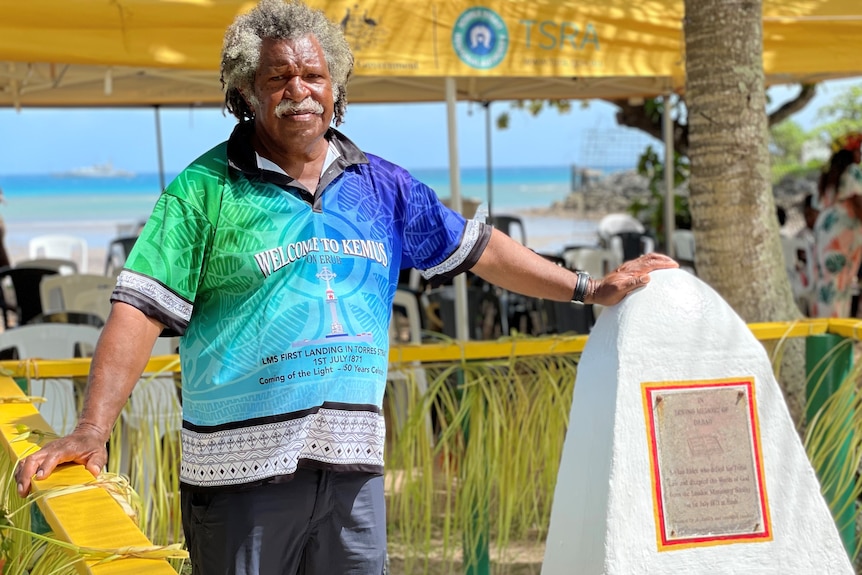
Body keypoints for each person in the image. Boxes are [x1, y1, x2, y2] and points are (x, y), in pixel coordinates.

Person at [14, 1, 678, 572]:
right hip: (242, 479)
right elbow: (139, 308)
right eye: (277, 77)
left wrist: (588, 287)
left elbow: (481, 248)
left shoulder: (381, 185)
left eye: (312, 75)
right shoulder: (203, 191)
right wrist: (91, 429)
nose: (297, 90)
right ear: (245, 93)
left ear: (337, 88)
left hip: (351, 470)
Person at [810, 136, 862, 318]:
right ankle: (836, 328)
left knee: (825, 280)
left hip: (826, 227)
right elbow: (858, 202)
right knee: (840, 282)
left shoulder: (830, 175)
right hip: (843, 229)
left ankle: (822, 324)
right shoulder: (853, 172)